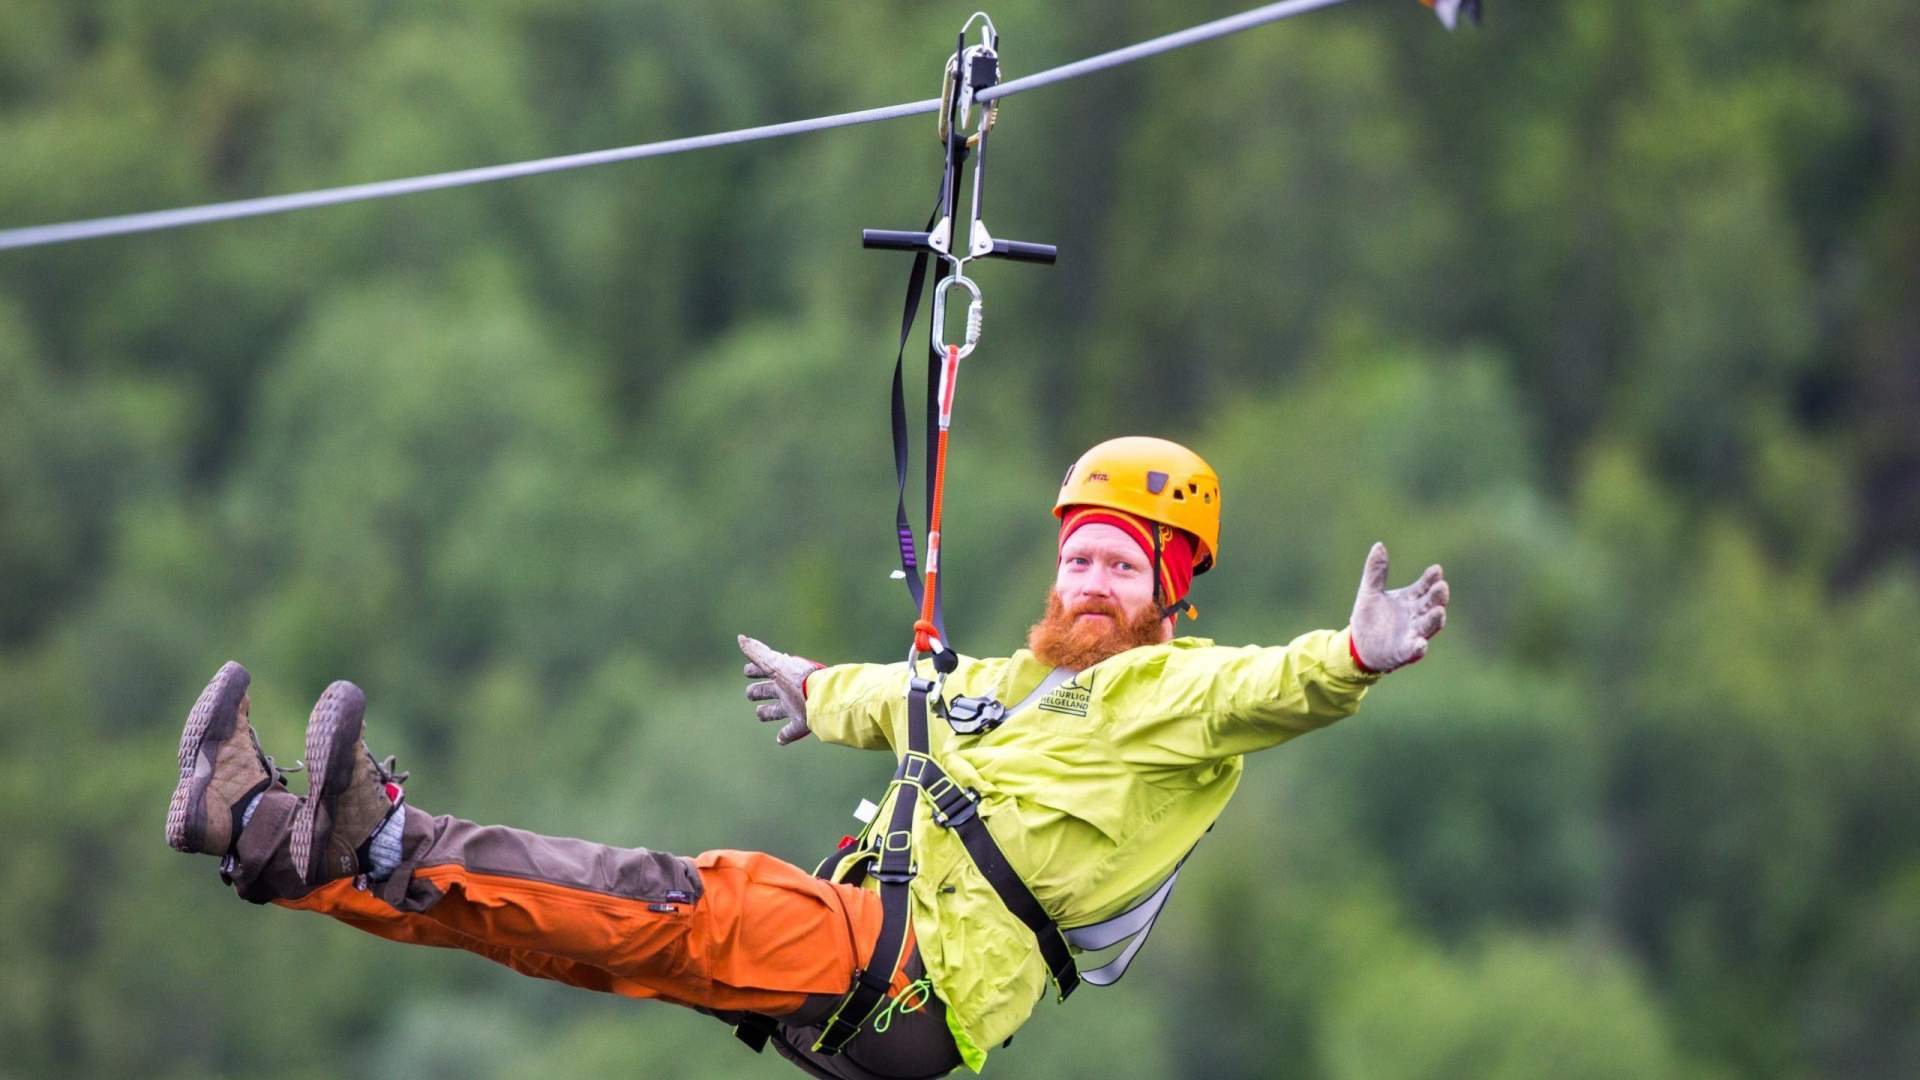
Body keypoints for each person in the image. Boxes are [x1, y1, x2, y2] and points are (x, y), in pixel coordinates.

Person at [166, 436, 1448, 1078]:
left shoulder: (1178, 694)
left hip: (917, 982)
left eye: (1121, 565)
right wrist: (814, 687)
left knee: (669, 898)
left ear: (1171, 589)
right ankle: (275, 842)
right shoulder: (1019, 683)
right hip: (869, 952)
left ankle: (385, 830)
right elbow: (908, 696)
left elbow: (1273, 686)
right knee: (581, 935)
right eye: (1078, 558)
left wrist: (1356, 656)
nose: (1091, 582)